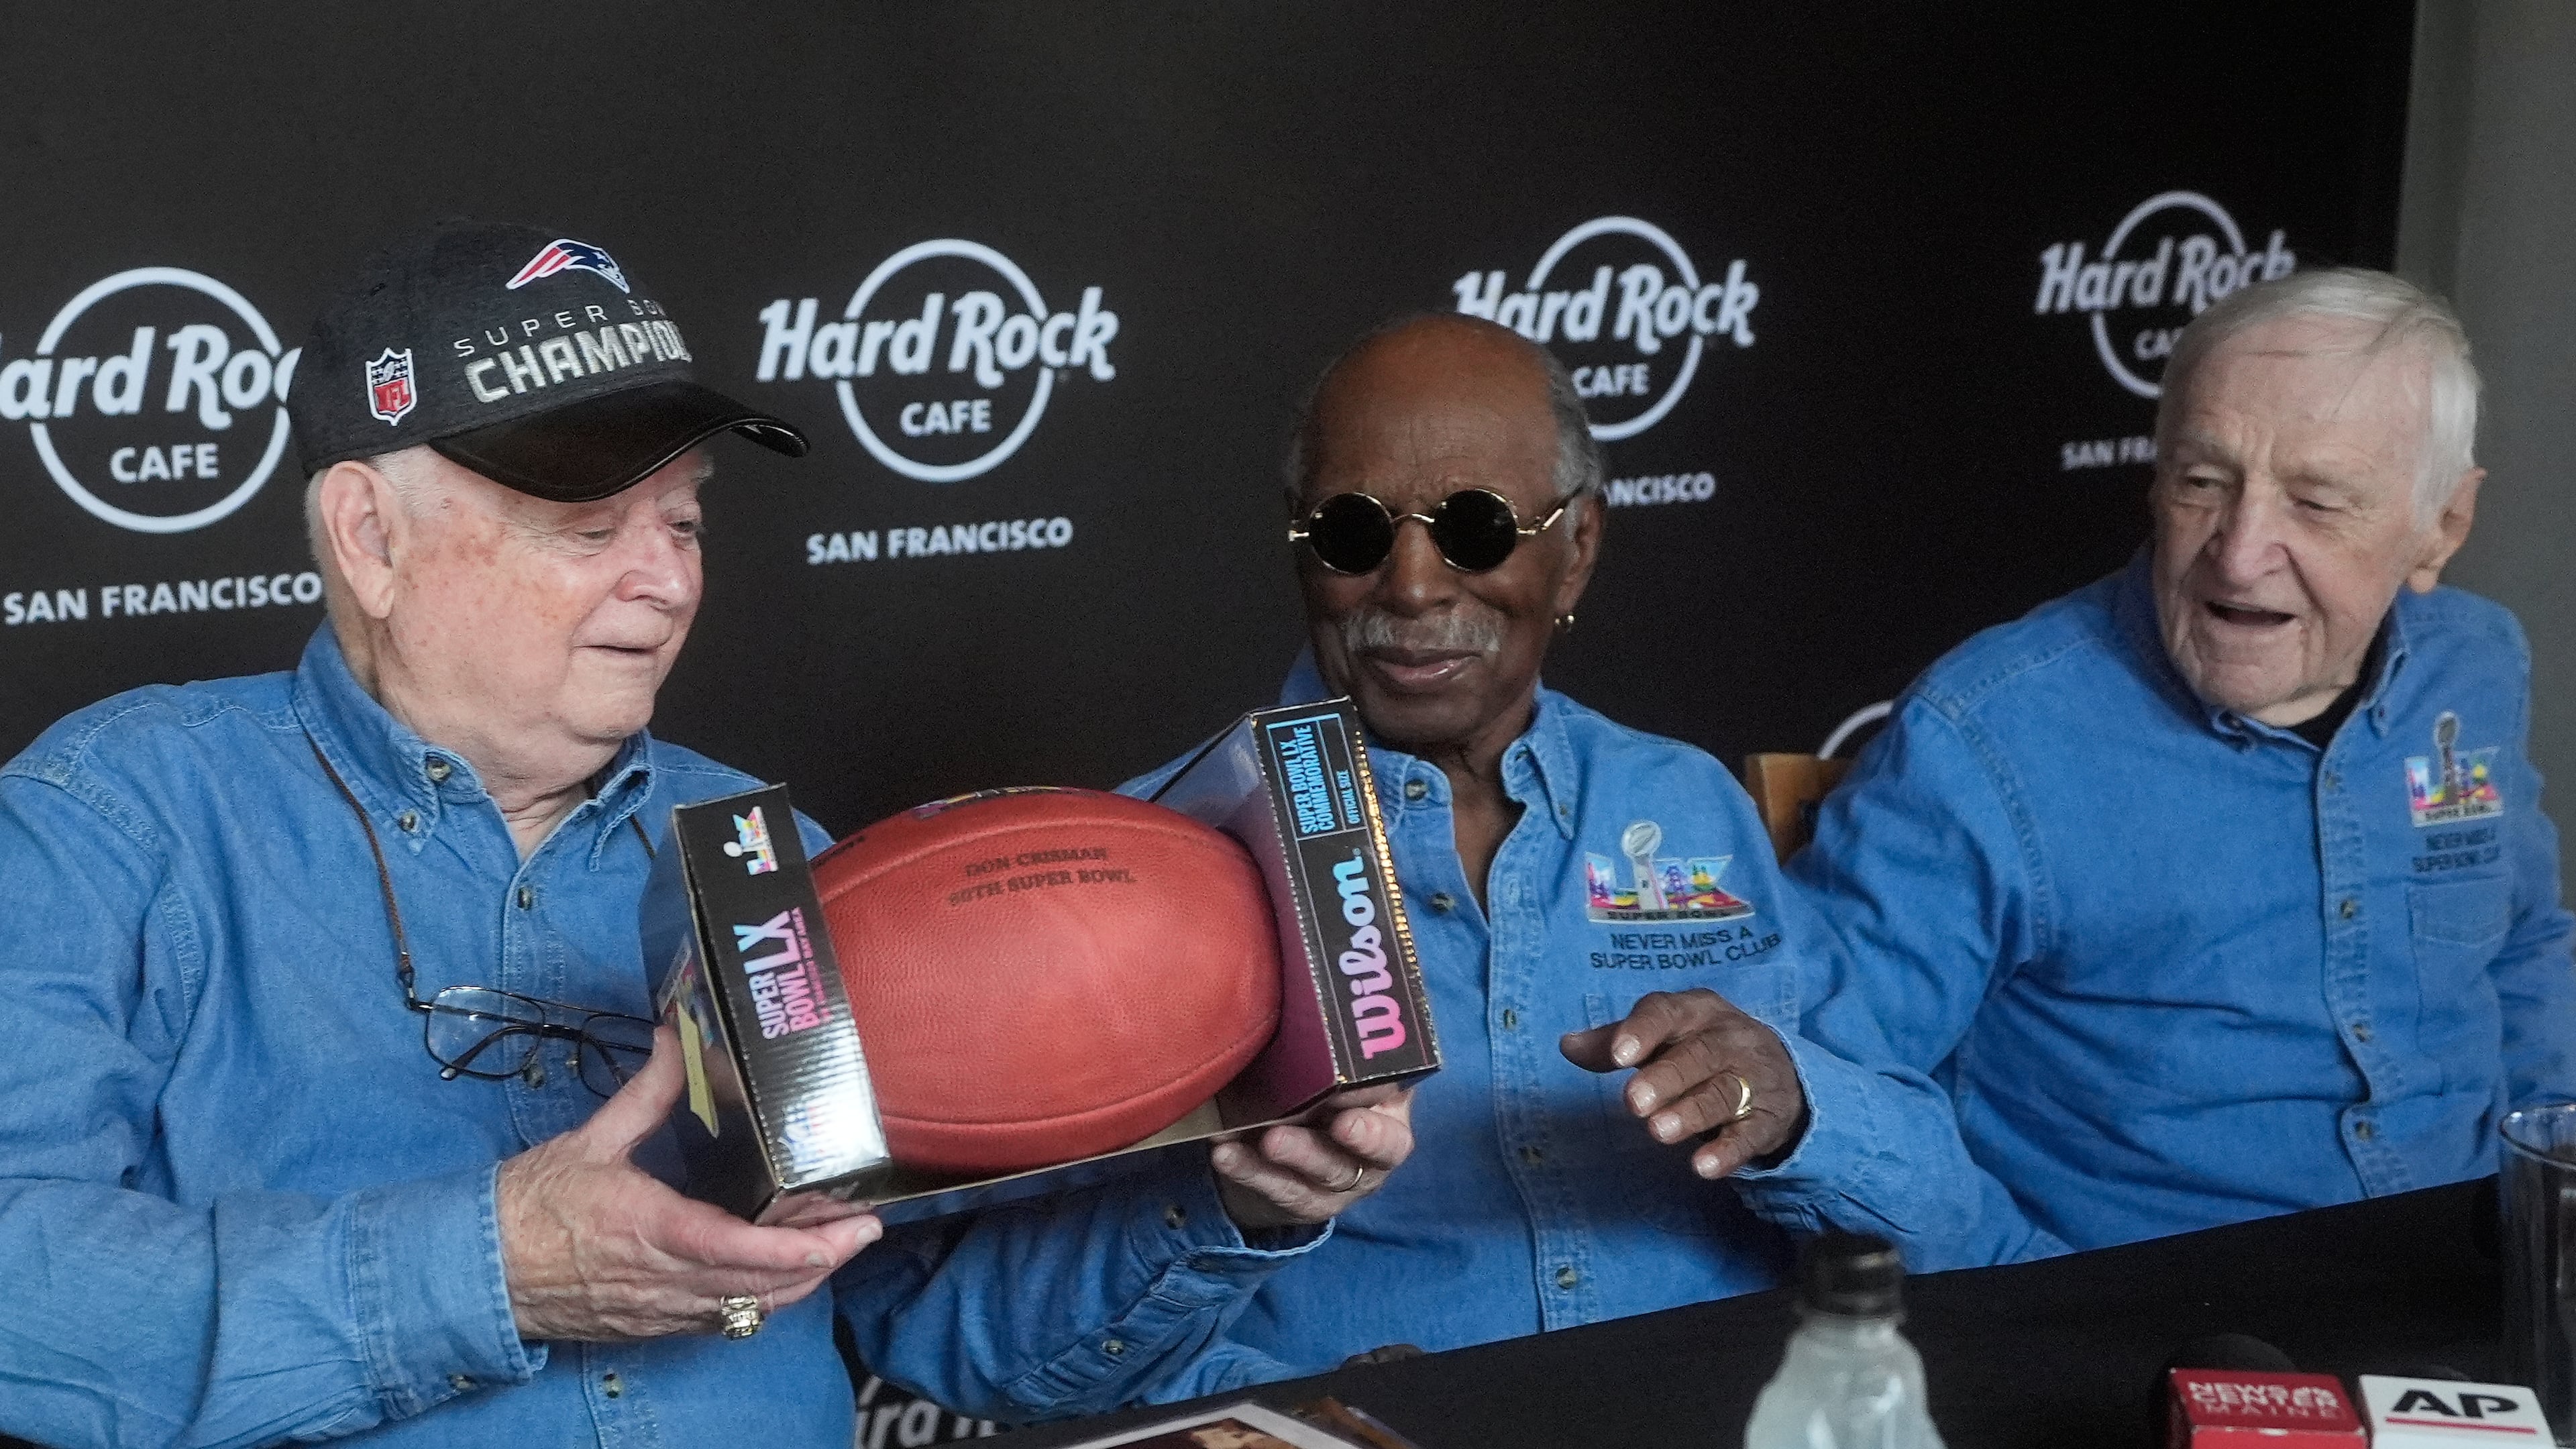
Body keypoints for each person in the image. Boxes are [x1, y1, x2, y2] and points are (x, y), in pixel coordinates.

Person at [0, 219, 1410, 1448]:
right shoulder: (121, 821)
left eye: (682, 520)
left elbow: (948, 1336)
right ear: (369, 536)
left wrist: (1244, 1205)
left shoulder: (773, 857)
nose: (665, 580)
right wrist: (497, 1267)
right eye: (588, 523)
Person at [1116, 313, 2049, 1387]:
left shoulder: (1683, 803)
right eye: (1355, 532)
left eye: (1474, 529)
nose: (1413, 586)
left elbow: (1943, 1218)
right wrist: (1288, 1398)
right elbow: (987, 1352)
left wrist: (1796, 1107)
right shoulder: (1166, 860)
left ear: (1578, 551)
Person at [1788, 267, 2576, 1250]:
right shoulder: (1989, 732)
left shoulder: (2476, 664)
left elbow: (2526, 945)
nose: (2241, 554)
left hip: (2475, 1278)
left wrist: (2556, 1193)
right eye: (2204, 484)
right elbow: (1825, 1082)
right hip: (2143, 1314)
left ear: (2442, 527)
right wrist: (2017, 1289)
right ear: (2157, 483)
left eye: (2318, 503)